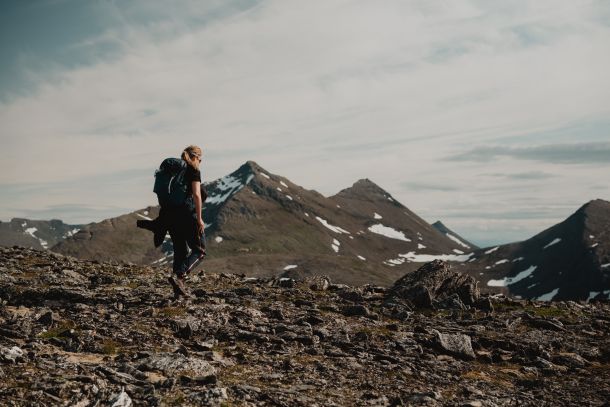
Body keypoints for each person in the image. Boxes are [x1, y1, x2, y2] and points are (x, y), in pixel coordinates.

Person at [165, 145, 206, 298]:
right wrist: (200, 218)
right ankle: (179, 275)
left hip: (171, 215)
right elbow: (196, 195)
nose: (200, 162)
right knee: (200, 251)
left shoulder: (175, 172)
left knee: (180, 251)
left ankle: (178, 292)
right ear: (195, 157)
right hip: (187, 214)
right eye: (200, 159)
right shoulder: (193, 170)